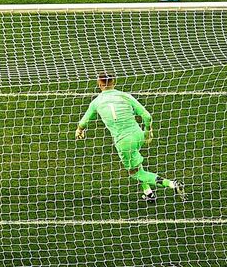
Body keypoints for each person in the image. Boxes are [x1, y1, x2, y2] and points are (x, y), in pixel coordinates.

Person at [75, 73, 185, 203]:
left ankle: (172, 184)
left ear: (99, 85)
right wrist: (148, 131)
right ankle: (148, 193)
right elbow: (147, 116)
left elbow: (83, 122)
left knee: (135, 173)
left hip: (124, 143)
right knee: (135, 162)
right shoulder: (125, 96)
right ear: (114, 82)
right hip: (138, 135)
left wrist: (79, 130)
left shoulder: (96, 102)